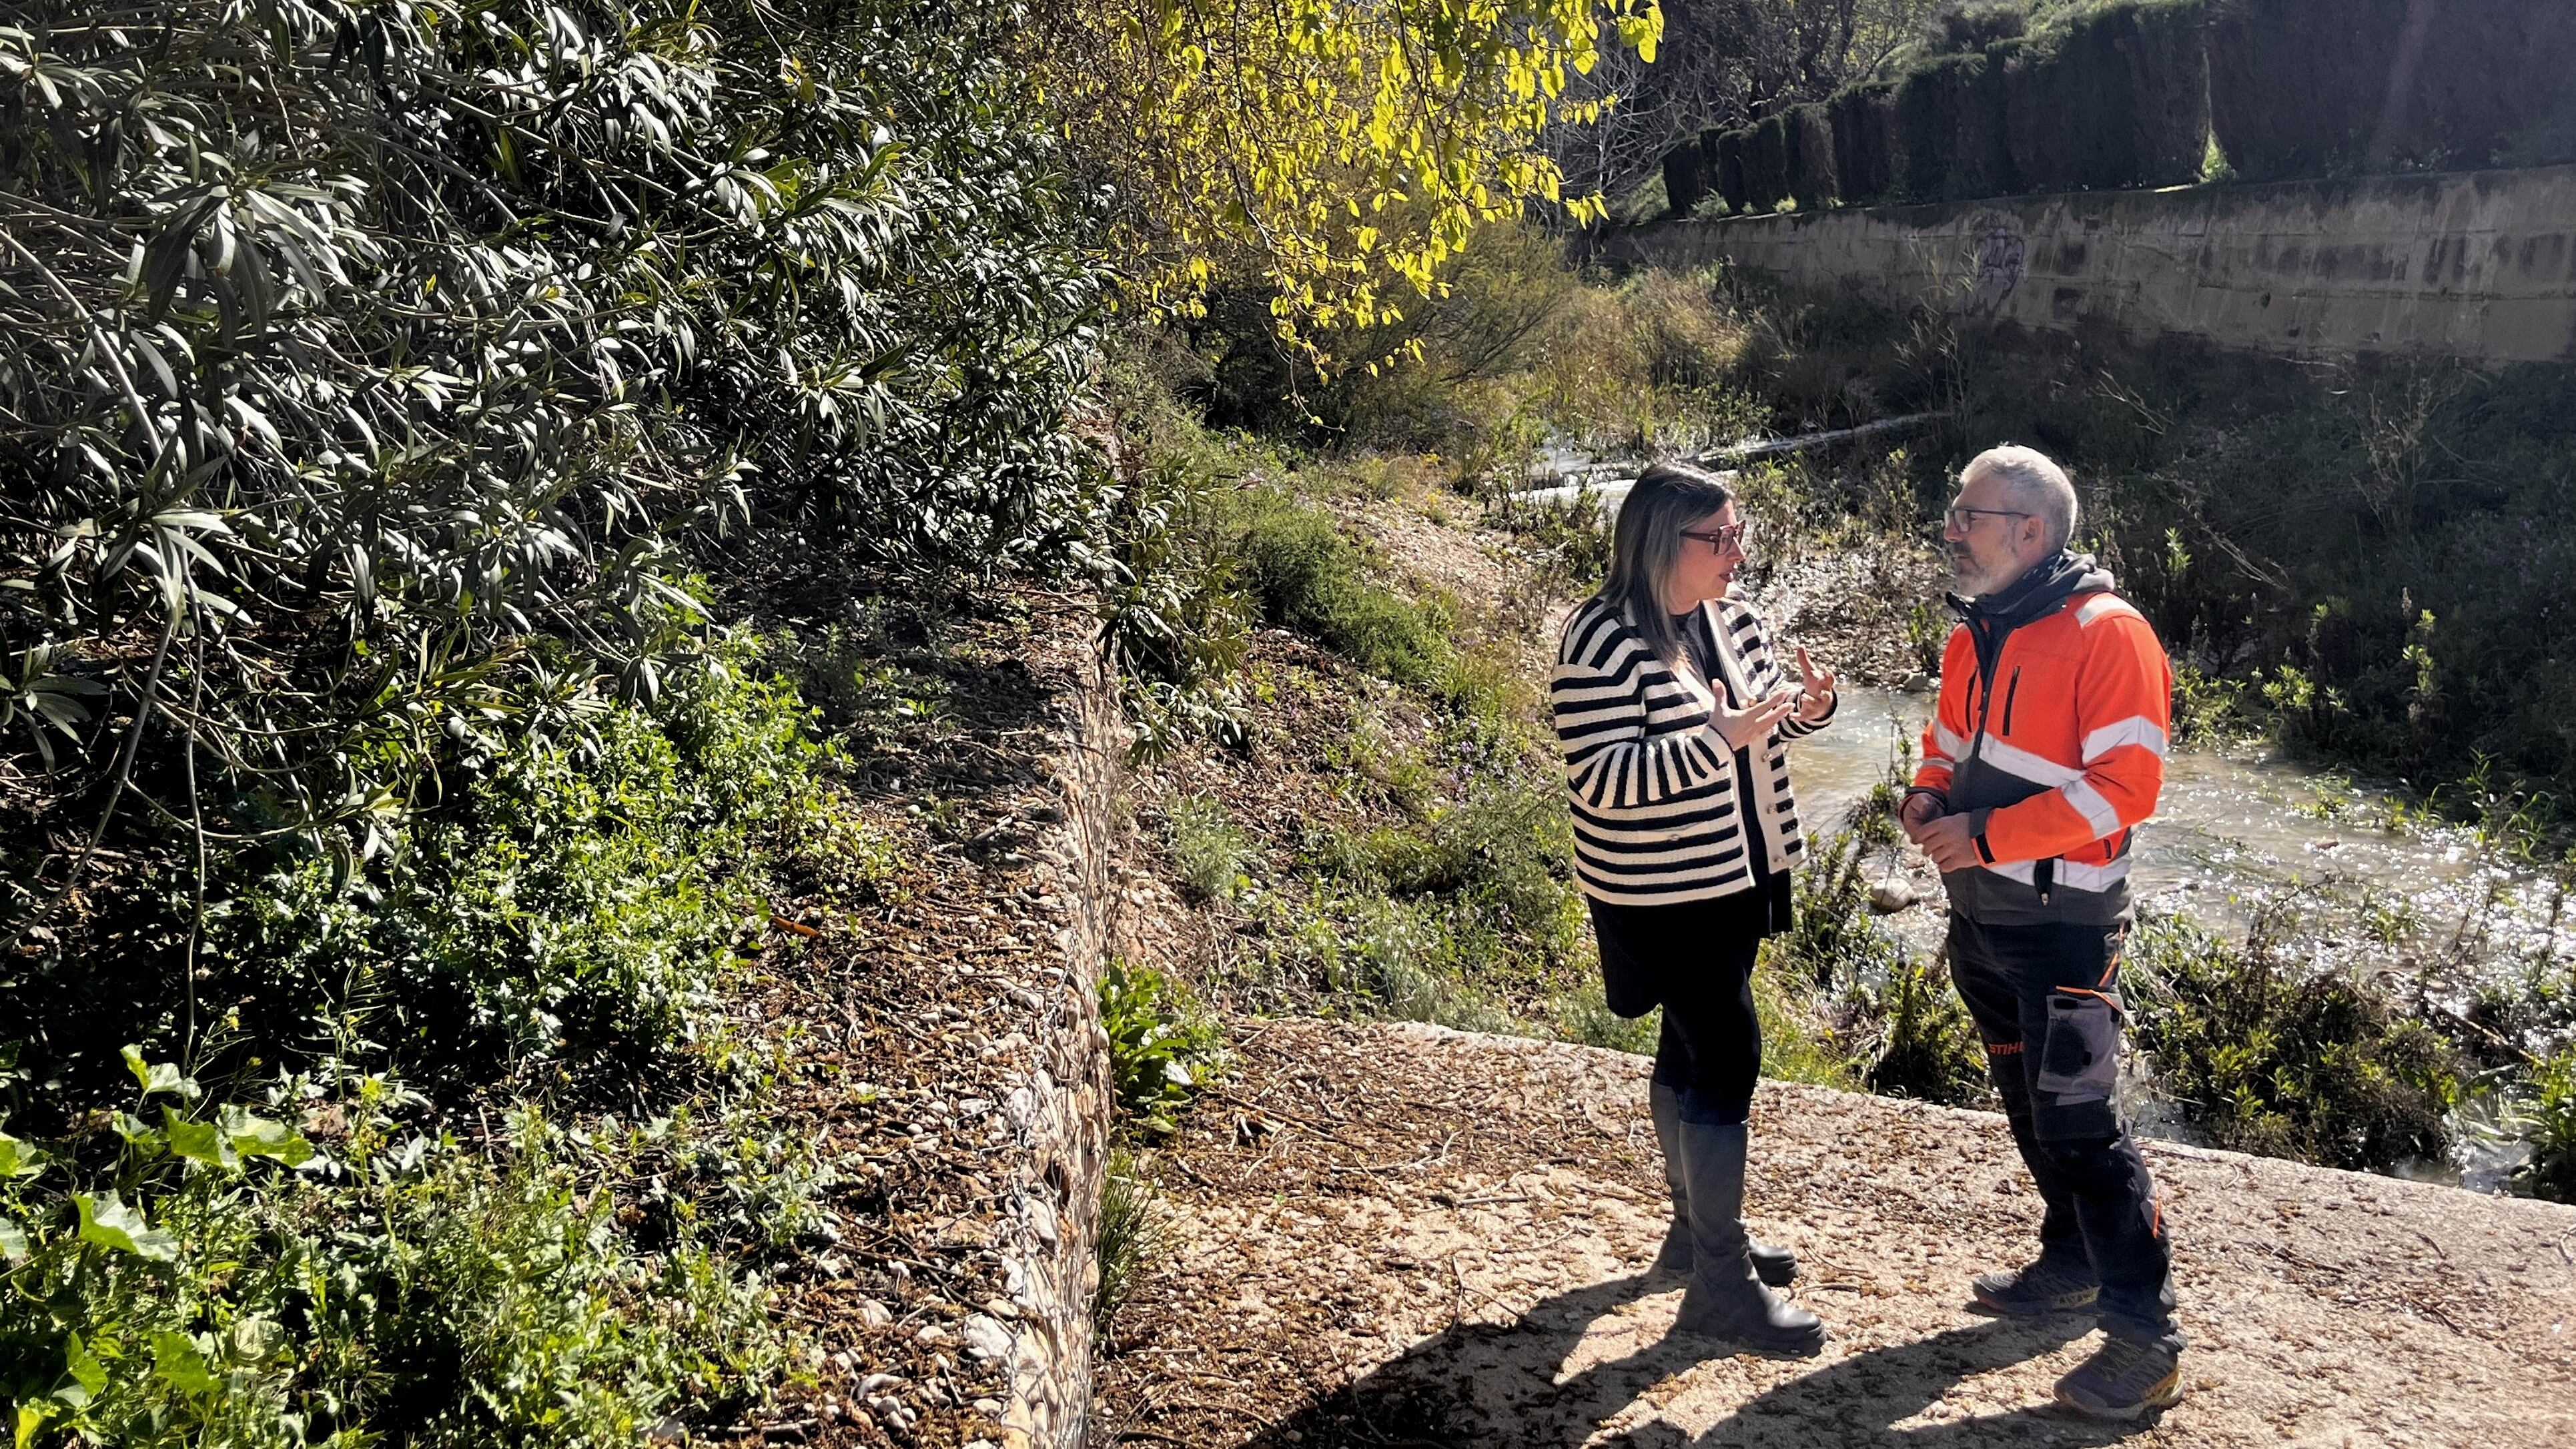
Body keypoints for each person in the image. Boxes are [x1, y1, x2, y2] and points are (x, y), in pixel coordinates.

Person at [1899, 445, 2186, 1419]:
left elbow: (2123, 790)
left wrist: (1981, 834)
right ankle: (2066, 1261)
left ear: (2028, 531)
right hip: (1980, 915)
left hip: (2066, 927)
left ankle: (2146, 1342)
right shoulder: (1976, 629)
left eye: (1964, 515)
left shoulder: (2110, 634)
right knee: (2025, 1100)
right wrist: (1927, 791)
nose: (1950, 530)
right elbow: (1947, 739)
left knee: (2080, 1122)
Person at [1549, 461, 1839, 1356]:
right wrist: (1716, 737)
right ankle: (1720, 1283)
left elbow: (1760, 726)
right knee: (1725, 1055)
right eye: (1718, 538)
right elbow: (1600, 781)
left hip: (1739, 872)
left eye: (1739, 533)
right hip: (1663, 891)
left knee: (1690, 1043)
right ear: (1657, 541)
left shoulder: (1731, 620)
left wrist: (1808, 713)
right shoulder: (1596, 639)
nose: (1737, 554)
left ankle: (1695, 1237)